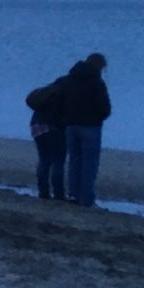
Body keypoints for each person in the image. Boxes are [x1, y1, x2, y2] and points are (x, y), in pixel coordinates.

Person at [62, 53, 112, 207]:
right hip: (90, 126)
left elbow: (61, 99)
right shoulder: (97, 82)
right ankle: (86, 199)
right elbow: (104, 107)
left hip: (71, 125)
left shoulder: (70, 79)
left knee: (74, 161)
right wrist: (99, 117)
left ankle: (74, 194)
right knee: (89, 164)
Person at [25, 67, 74, 200]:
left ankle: (43, 191)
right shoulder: (66, 93)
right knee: (58, 160)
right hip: (54, 127)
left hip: (36, 125)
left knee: (44, 159)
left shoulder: (49, 90)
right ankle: (58, 193)